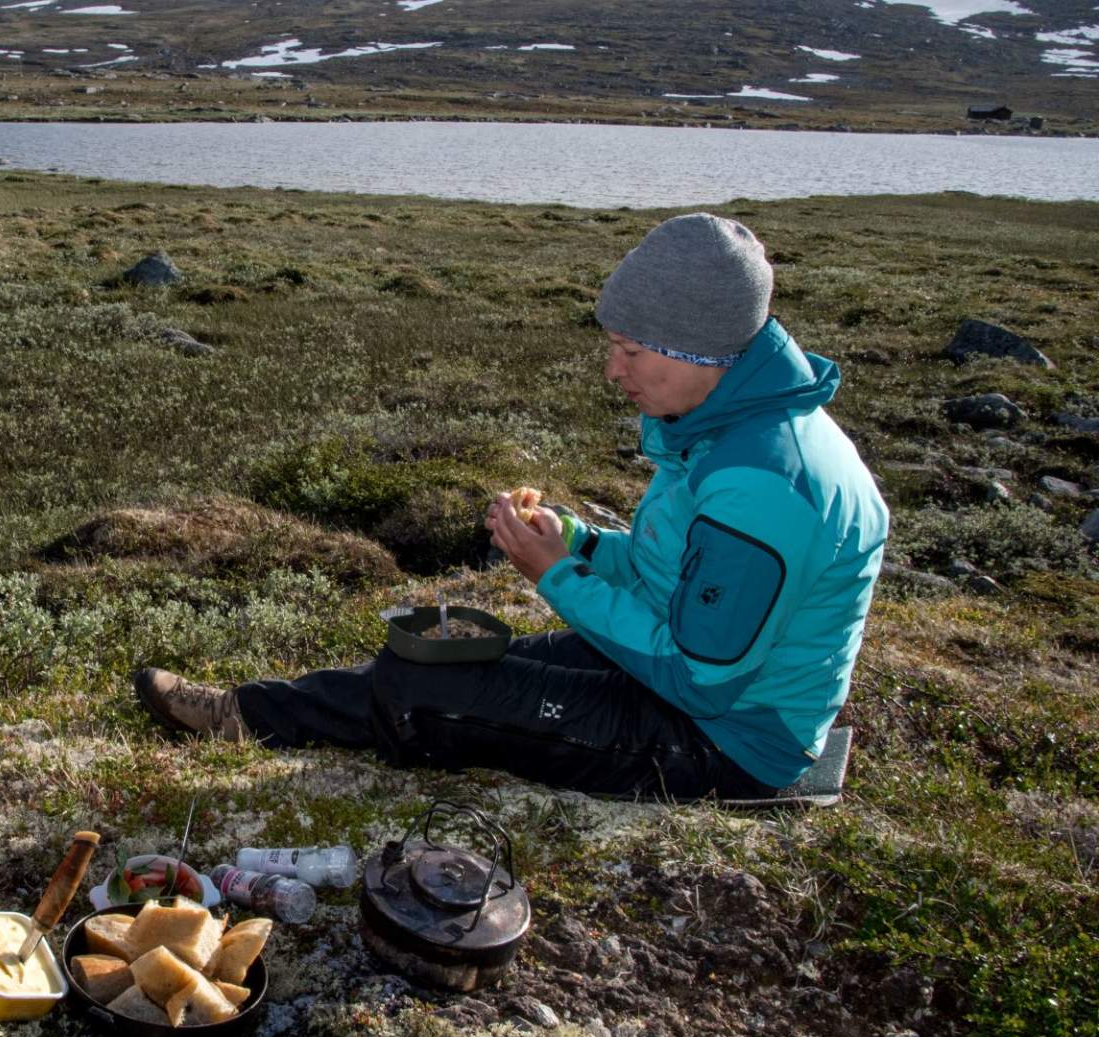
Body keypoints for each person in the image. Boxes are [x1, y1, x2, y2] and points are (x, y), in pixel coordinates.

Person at [135, 213, 889, 801]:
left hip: (722, 742)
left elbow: (700, 678)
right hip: (697, 690)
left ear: (702, 350)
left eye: (632, 351)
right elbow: (674, 576)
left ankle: (243, 720)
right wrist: (582, 544)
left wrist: (557, 577)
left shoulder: (764, 482)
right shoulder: (733, 433)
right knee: (444, 654)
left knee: (432, 690)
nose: (612, 370)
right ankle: (247, 709)